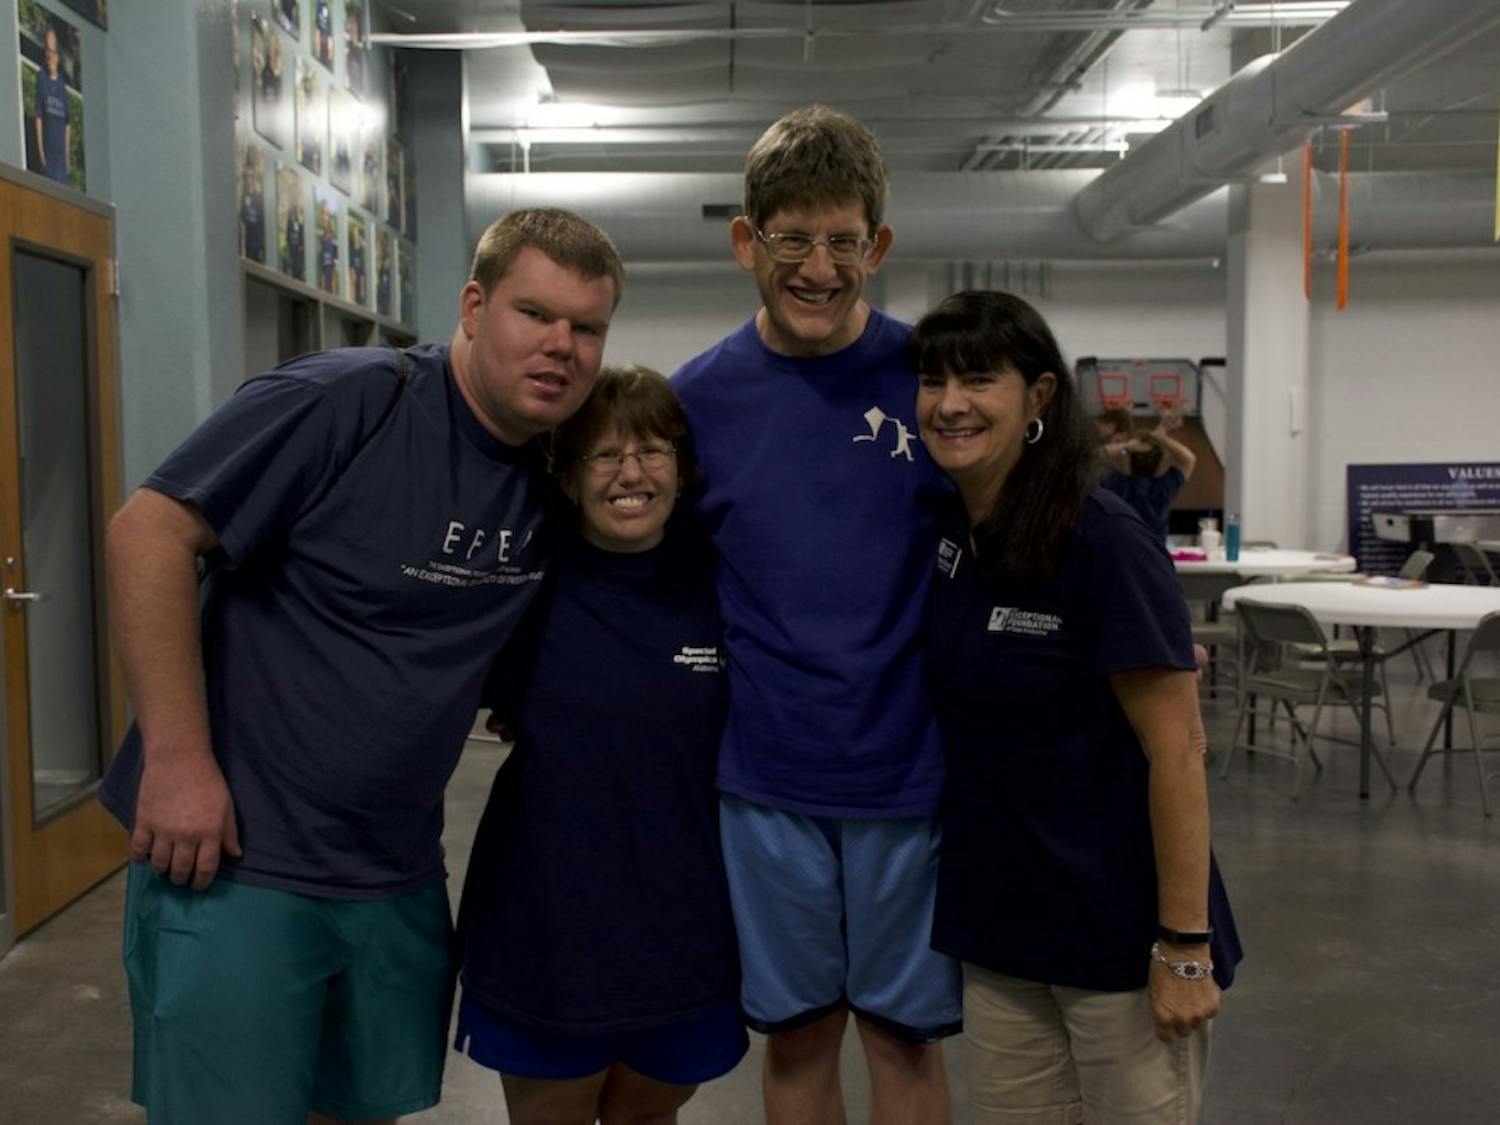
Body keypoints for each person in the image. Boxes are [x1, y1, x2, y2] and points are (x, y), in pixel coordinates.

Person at [96, 208, 624, 1125]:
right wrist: (178, 763)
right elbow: (149, 531)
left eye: (586, 328)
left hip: (396, 872)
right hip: (241, 865)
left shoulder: (551, 472)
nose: (560, 347)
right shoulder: (352, 400)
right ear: (473, 305)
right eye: (534, 314)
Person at [672, 105, 962, 1124]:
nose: (818, 266)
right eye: (792, 239)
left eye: (844, 242)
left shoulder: (933, 382)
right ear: (747, 239)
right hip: (767, 782)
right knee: (796, 1041)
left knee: (903, 1043)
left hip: (911, 776)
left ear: (877, 247)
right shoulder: (696, 402)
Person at [908, 290, 1241, 1125]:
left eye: (979, 378)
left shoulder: (1103, 538)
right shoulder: (953, 534)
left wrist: (1185, 946)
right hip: (1001, 929)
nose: (950, 403)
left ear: (1041, 398)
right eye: (933, 379)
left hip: (1119, 935)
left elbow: (1179, 749)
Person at [455, 365, 747, 1125]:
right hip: (548, 922)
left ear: (683, 470)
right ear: (567, 474)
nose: (631, 474)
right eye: (604, 455)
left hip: (685, 920)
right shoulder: (520, 582)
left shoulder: (721, 583)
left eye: (653, 451)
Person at [1100, 410, 1198, 541]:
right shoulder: (1164, 488)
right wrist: (1162, 438)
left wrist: (1126, 446)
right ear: (1159, 463)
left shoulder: (1116, 484)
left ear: (1129, 459)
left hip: (1122, 556)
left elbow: (1093, 455)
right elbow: (1189, 459)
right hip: (1155, 558)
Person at [32, 27, 70, 185]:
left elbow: (67, 123)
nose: (49, 55)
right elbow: (38, 117)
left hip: (61, 162)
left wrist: (67, 156)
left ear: (58, 55)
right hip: (47, 159)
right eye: (47, 50)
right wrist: (40, 152)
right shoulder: (41, 78)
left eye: (53, 51)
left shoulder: (63, 87)